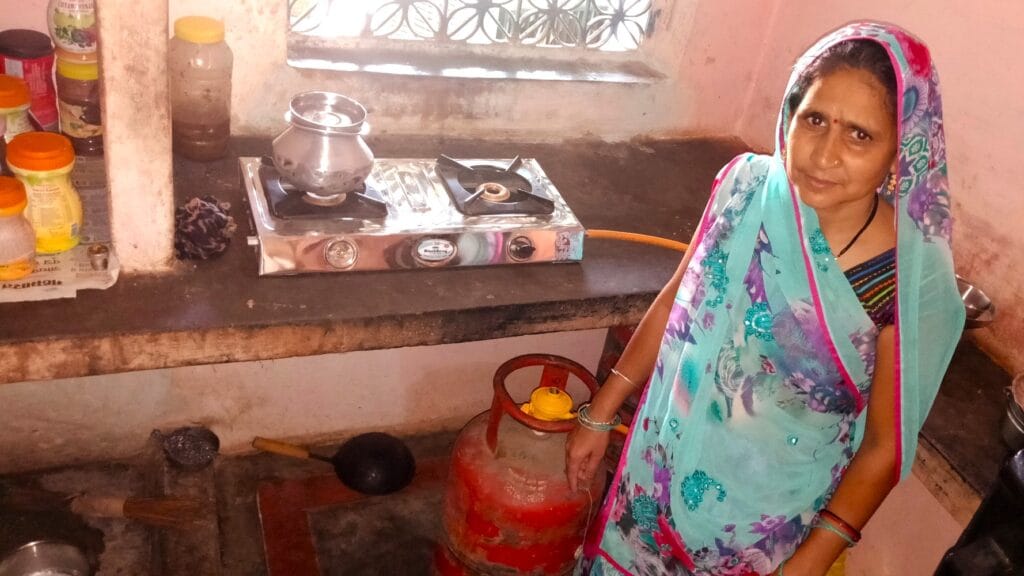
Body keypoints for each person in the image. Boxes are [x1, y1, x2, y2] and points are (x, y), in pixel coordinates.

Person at [566, 21, 964, 576]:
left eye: (859, 135)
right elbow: (681, 298)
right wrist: (601, 411)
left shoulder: (903, 282)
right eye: (815, 120)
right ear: (790, 115)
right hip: (655, 479)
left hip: (766, 532)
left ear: (900, 153)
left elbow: (884, 446)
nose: (824, 155)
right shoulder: (747, 186)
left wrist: (811, 560)